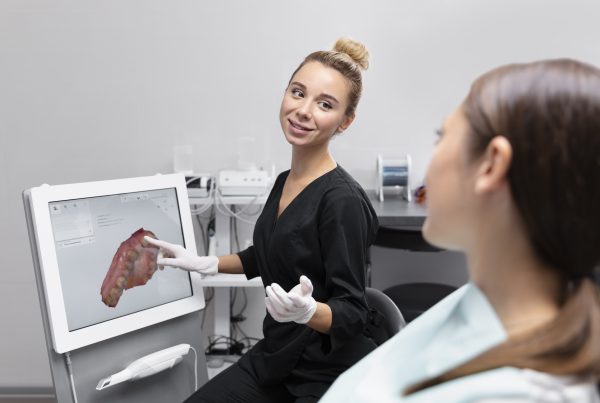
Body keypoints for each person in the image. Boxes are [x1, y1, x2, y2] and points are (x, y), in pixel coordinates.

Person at [320, 58, 600, 402]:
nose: (429, 168)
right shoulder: (483, 302)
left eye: (442, 137)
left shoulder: (516, 394)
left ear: (492, 165)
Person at [146, 38, 379, 403]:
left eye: (325, 104)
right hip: (277, 358)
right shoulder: (285, 181)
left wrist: (308, 311)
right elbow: (269, 255)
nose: (303, 110)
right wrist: (204, 263)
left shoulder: (342, 201)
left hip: (326, 373)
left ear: (345, 121)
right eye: (298, 92)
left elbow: (353, 313)